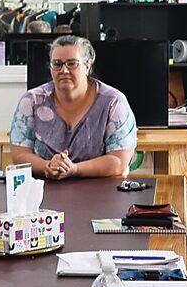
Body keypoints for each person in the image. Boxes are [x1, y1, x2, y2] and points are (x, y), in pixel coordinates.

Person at [9, 35, 136, 180]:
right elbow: (20, 155)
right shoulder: (31, 101)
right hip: (45, 188)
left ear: (87, 66)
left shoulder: (114, 102)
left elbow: (119, 161)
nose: (64, 70)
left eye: (72, 63)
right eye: (57, 64)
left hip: (100, 189)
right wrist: (49, 166)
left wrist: (74, 169)